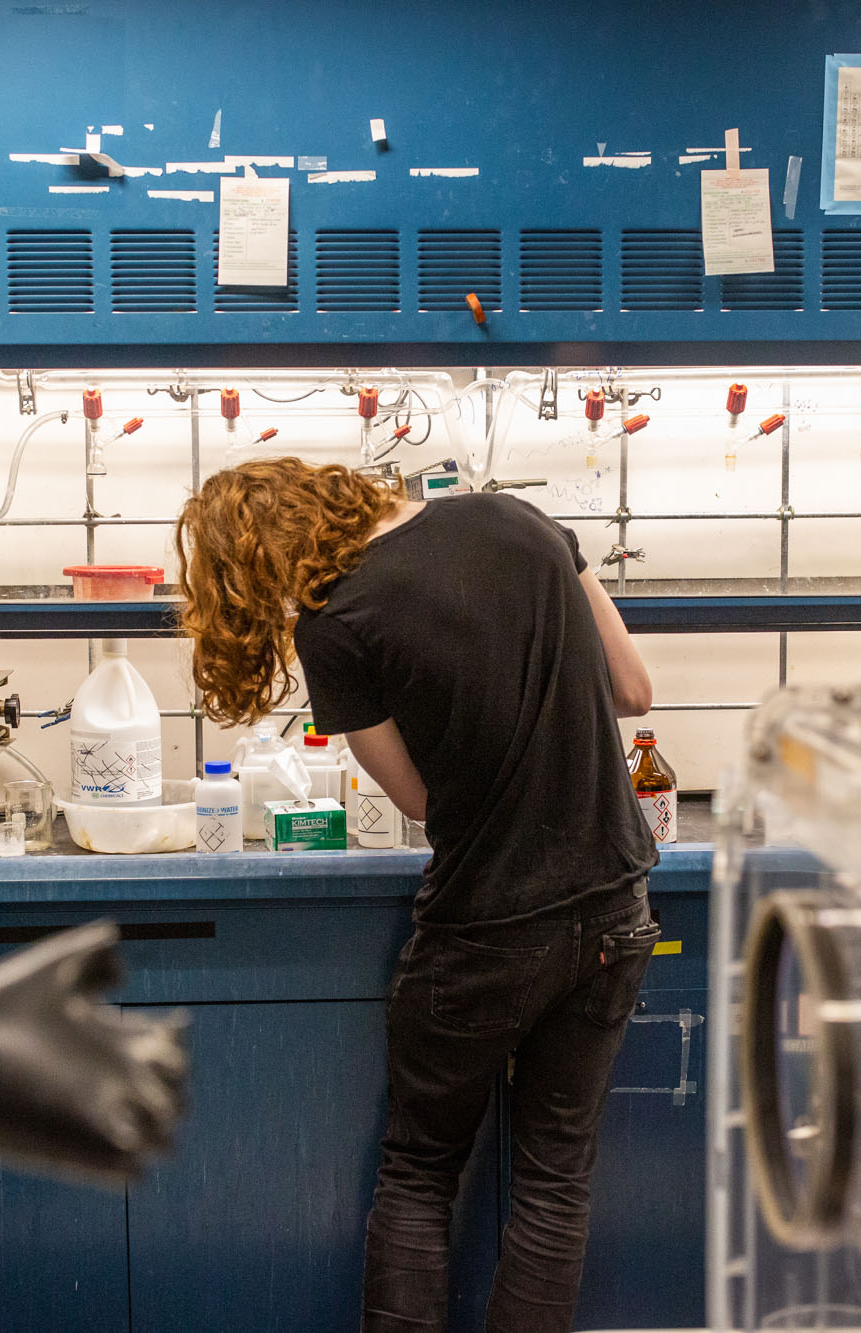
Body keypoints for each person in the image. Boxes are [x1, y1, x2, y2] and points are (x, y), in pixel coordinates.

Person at [176, 456, 662, 1333]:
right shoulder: (520, 520)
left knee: (420, 1174)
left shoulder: (335, 621)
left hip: (488, 929)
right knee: (554, 1180)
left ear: (259, 564)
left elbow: (422, 804)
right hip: (613, 909)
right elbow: (633, 689)